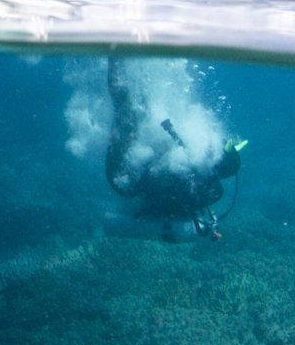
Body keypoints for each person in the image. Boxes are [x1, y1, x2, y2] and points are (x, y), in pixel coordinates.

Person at [104, 60, 245, 240]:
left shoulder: (196, 178)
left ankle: (115, 57)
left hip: (122, 175)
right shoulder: (209, 186)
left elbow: (158, 176)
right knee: (133, 108)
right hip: (127, 180)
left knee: (125, 107)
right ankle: (120, 61)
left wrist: (165, 150)